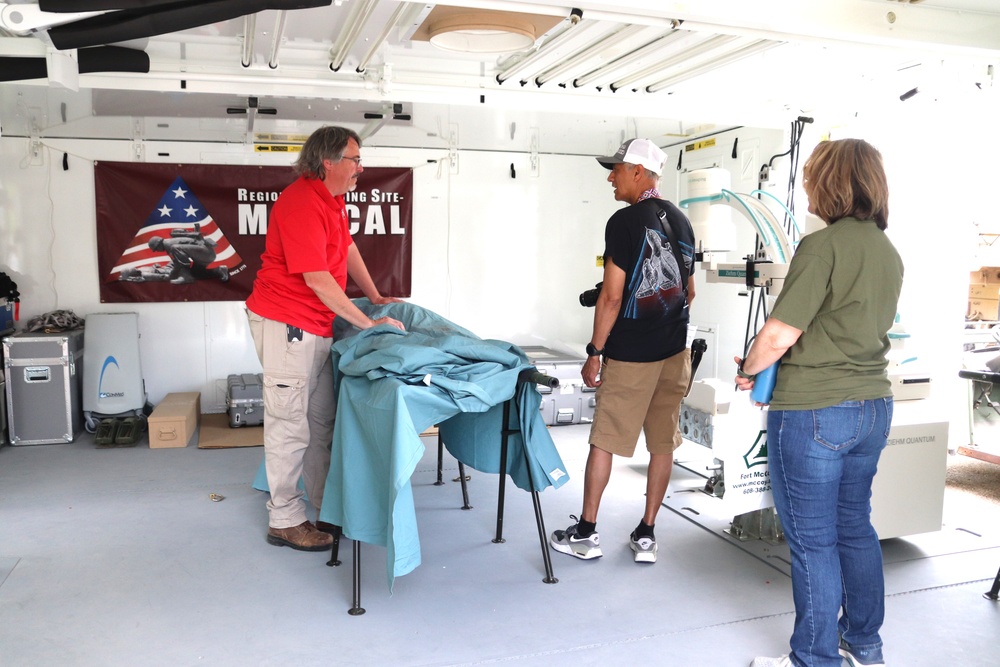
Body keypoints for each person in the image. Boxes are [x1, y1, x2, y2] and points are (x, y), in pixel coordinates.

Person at [736, 139, 903, 667]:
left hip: (814, 411)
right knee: (855, 526)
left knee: (812, 541)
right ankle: (865, 644)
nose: (807, 184)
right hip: (872, 408)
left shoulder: (822, 246)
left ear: (830, 183)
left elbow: (779, 333)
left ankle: (815, 658)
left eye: (811, 176)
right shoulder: (886, 249)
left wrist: (747, 369)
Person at [245, 125, 405, 552]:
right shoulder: (299, 202)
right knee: (289, 425)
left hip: (315, 326)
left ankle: (324, 506)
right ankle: (284, 519)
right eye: (355, 160)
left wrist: (373, 296)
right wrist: (365, 322)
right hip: (286, 324)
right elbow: (316, 277)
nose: (361, 169)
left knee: (321, 424)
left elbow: (347, 249)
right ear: (328, 162)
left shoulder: (332, 201)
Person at [549, 138, 696, 564]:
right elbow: (688, 291)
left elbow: (611, 298)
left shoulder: (625, 221)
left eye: (615, 169)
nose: (610, 178)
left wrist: (595, 350)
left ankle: (586, 533)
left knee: (605, 440)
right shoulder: (683, 222)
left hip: (632, 356)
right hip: (675, 354)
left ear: (637, 171)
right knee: (663, 443)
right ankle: (647, 534)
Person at [148, 225, 228, 284]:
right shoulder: (169, 243)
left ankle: (185, 277)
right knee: (196, 273)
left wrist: (171, 275)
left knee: (176, 248)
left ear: (158, 244)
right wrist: (170, 272)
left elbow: (179, 263)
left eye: (156, 249)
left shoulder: (170, 245)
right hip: (206, 254)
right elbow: (175, 261)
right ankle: (219, 270)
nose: (157, 251)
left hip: (206, 253)